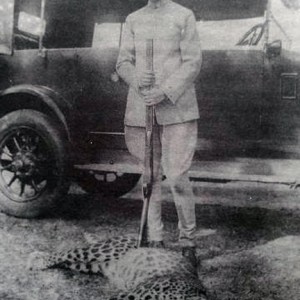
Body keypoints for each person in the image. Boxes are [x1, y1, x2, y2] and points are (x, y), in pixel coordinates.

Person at [116, 0, 201, 264]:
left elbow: (192, 62)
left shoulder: (184, 15)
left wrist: (164, 91)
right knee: (150, 176)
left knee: (176, 176)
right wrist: (136, 76)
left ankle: (188, 241)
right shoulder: (133, 18)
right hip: (142, 108)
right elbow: (123, 62)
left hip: (177, 109)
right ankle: (155, 238)